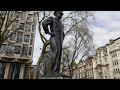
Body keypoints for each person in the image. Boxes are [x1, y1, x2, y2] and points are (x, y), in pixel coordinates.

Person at [42, 11, 64, 75]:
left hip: (60, 40)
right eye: (60, 13)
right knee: (56, 51)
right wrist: (48, 32)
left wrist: (62, 39)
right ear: (56, 13)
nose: (61, 15)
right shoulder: (52, 19)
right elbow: (44, 23)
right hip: (54, 37)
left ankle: (57, 71)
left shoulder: (61, 23)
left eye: (62, 14)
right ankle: (53, 71)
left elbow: (63, 33)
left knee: (59, 54)